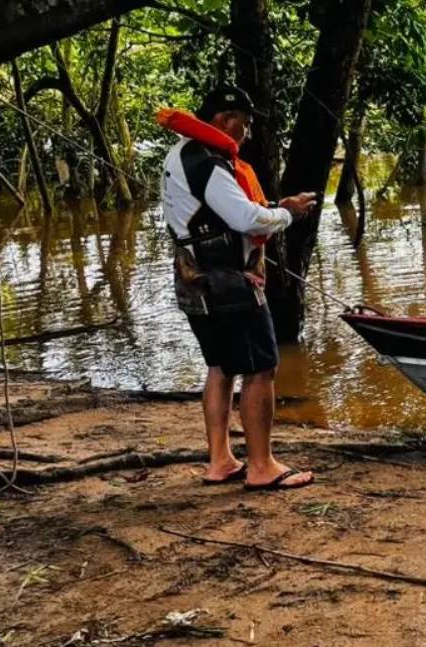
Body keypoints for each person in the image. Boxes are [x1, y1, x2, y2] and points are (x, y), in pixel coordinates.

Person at [159, 85, 318, 491]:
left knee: (221, 366)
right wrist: (287, 213)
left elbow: (223, 214)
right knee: (261, 368)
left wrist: (274, 208)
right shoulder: (208, 163)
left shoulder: (181, 156)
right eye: (244, 125)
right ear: (226, 120)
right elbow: (247, 220)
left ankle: (221, 460)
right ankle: (261, 466)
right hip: (228, 284)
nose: (245, 134)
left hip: (196, 280)